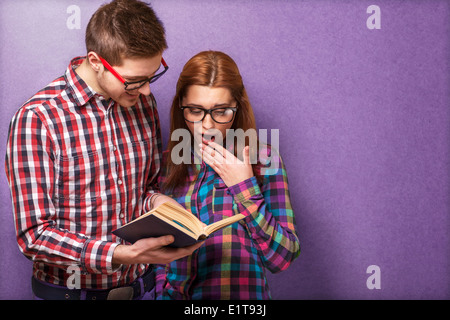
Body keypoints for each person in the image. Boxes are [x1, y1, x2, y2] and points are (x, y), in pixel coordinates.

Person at [4, 0, 202, 300]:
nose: (147, 91)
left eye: (152, 76)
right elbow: (34, 237)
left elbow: (144, 188)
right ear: (96, 61)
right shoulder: (38, 119)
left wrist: (159, 202)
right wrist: (118, 254)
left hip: (142, 289)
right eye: (135, 81)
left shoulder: (142, 104)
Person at [155, 50, 300, 300]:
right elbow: (152, 255)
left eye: (221, 111)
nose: (207, 124)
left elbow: (282, 259)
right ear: (181, 108)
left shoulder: (264, 160)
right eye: (195, 110)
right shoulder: (166, 164)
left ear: (237, 107)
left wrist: (245, 188)